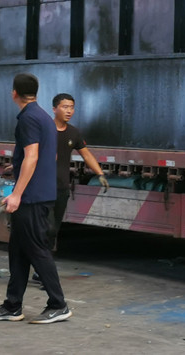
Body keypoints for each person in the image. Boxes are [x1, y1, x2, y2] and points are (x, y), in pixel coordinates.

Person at [0, 73, 72, 324]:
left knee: (37, 250)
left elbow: (32, 156)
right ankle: (13, 305)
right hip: (39, 192)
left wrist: (16, 194)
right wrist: (18, 164)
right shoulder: (44, 117)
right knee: (18, 251)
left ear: (14, 93)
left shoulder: (28, 119)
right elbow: (49, 156)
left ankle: (58, 305)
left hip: (32, 197)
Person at [49, 93, 108, 252]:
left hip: (62, 188)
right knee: (47, 228)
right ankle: (39, 260)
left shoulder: (73, 133)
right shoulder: (45, 130)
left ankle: (43, 262)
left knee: (54, 230)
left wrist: (100, 174)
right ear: (54, 109)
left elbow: (86, 155)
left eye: (72, 107)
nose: (69, 111)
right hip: (43, 187)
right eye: (65, 107)